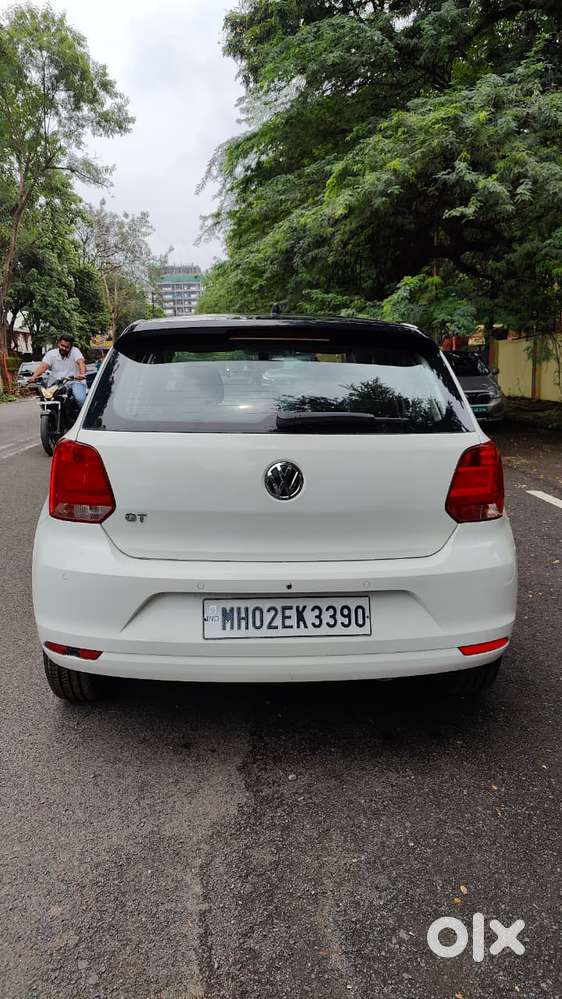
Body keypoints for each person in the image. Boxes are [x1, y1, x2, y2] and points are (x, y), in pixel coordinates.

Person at [28, 335, 87, 407]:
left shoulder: (75, 351)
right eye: (62, 345)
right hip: (57, 384)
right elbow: (43, 366)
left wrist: (82, 374)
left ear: (71, 347)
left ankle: (83, 417)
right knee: (45, 398)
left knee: (80, 399)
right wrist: (34, 376)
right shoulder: (51, 354)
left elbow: (80, 362)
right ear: (58, 344)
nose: (64, 348)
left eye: (67, 347)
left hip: (75, 382)